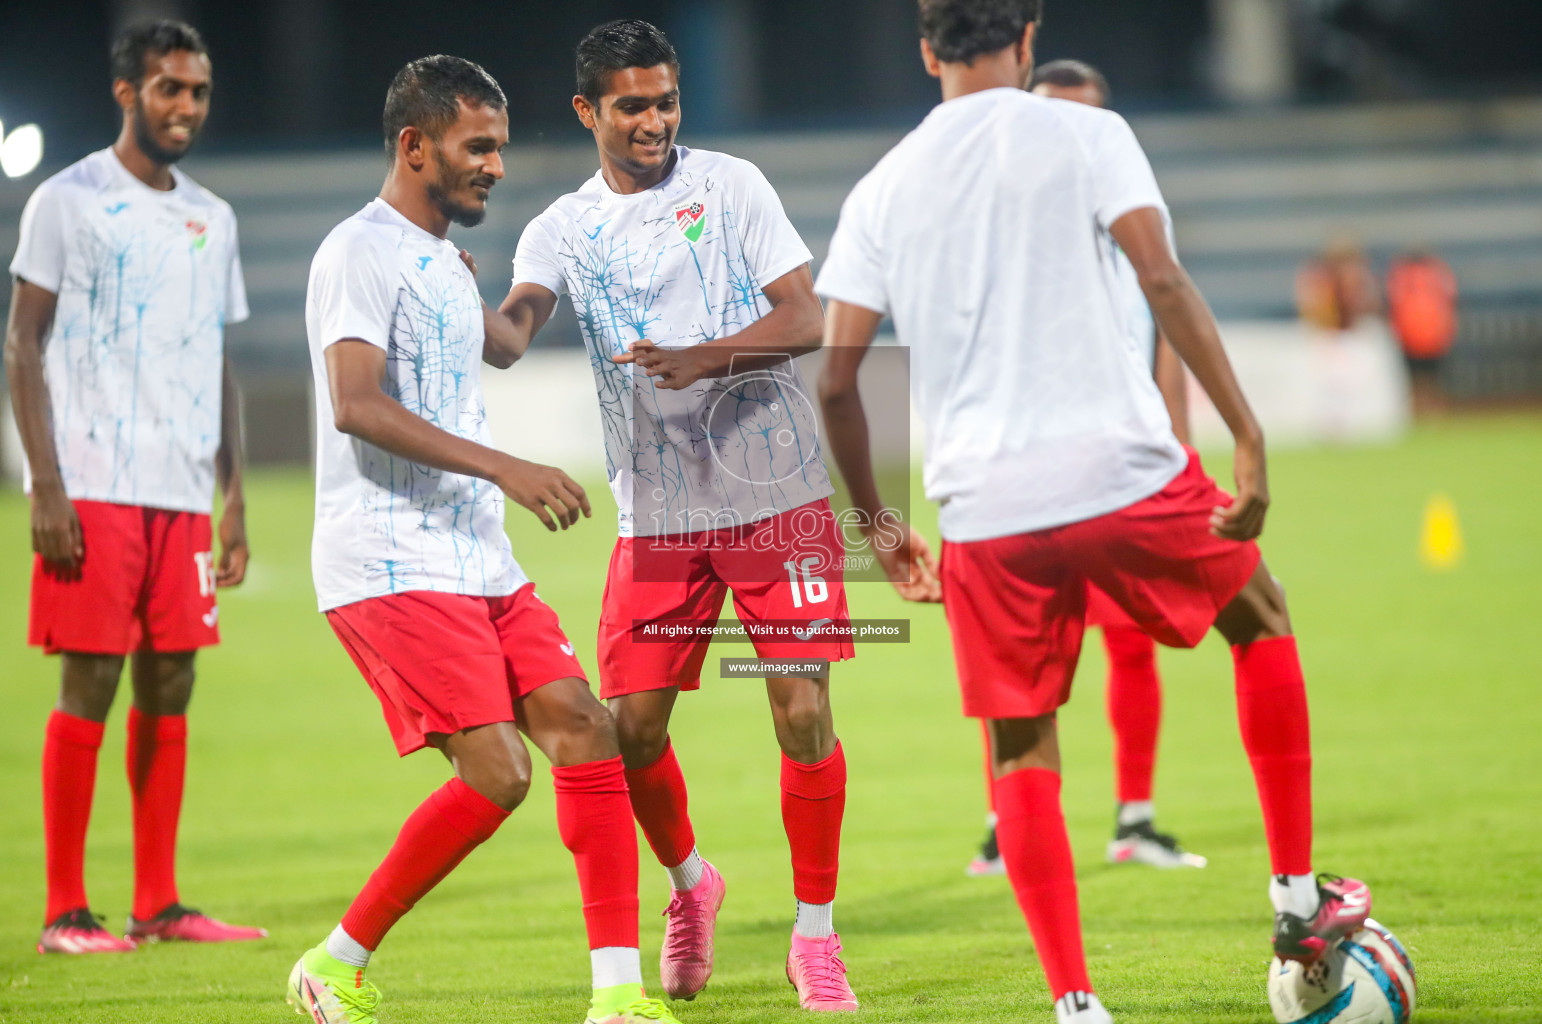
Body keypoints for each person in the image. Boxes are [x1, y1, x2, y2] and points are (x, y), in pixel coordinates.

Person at [815, 3, 1371, 1022]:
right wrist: (1243, 433)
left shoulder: (881, 188)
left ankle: (1076, 1001)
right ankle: (1296, 895)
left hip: (987, 510)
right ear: (1027, 36)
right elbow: (1160, 276)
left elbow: (839, 384)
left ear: (927, 48)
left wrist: (885, 537)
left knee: (1022, 748)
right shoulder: (1089, 132)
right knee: (1264, 619)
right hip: (1124, 474)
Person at [285, 55, 677, 1024]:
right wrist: (507, 465)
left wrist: (556, 283)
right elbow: (356, 403)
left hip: (477, 556)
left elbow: (497, 343)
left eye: (500, 146)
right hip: (386, 556)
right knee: (500, 772)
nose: (496, 165)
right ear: (415, 145)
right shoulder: (357, 252)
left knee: (587, 726)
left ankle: (620, 996)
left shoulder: (441, 260)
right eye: (478, 146)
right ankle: (334, 962)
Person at [496, 19, 858, 1012]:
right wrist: (474, 321)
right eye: (632, 106)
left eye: (665, 101)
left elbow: (805, 316)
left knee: (801, 708)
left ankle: (815, 935)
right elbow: (518, 319)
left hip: (773, 497)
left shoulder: (731, 185)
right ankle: (692, 884)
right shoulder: (563, 228)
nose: (655, 121)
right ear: (587, 112)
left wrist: (703, 356)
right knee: (633, 732)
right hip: (658, 516)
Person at [5, 19, 265, 954]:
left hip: (180, 492)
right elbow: (21, 344)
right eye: (168, 89)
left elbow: (218, 359)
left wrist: (231, 495)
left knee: (173, 680)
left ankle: (157, 903)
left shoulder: (213, 216)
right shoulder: (66, 202)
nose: (186, 106)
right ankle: (64, 912)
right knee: (93, 681)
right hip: (95, 481)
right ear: (128, 93)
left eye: (196, 90)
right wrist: (46, 483)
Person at [966, 58, 1204, 877]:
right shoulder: (994, 234)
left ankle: (1133, 820)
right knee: (1016, 660)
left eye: (1089, 121)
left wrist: (1181, 449)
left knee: (1133, 643)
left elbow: (1160, 342)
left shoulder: (1131, 227)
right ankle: (1006, 825)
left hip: (1124, 471)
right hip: (1022, 478)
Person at [1387, 247, 1458, 416]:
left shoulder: (1403, 274)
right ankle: (1427, 413)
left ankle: (1425, 412)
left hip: (1417, 334)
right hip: (1426, 334)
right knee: (1426, 379)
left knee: (1422, 379)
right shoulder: (1437, 272)